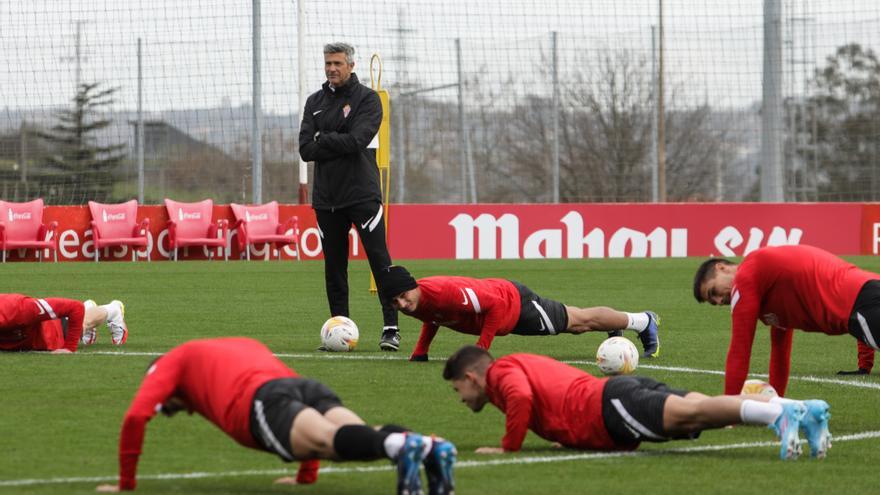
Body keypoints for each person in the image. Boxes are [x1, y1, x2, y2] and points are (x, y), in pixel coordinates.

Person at [95, 337, 456, 494]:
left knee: (331, 442)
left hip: (263, 402)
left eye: (172, 409)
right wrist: (305, 477)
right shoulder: (233, 345)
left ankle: (405, 446)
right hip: (303, 386)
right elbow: (296, 398)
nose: (179, 413)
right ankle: (427, 446)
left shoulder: (171, 363)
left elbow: (136, 416)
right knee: (358, 435)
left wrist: (125, 484)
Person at [442, 345, 832, 461]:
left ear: (472, 378)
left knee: (693, 413)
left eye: (459, 390)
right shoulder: (515, 362)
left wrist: (509, 446)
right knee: (698, 407)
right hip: (615, 396)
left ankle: (778, 415)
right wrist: (567, 435)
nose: (461, 399)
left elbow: (522, 397)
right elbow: (546, 396)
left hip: (610, 407)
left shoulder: (498, 375)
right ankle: (806, 409)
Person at [299, 41, 401, 352]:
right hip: (327, 198)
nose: (332, 68)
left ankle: (391, 328)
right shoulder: (314, 102)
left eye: (338, 63)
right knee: (334, 267)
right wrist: (334, 140)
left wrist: (324, 138)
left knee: (380, 261)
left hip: (362, 195)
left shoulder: (368, 100)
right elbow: (305, 150)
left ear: (351, 65)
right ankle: (338, 330)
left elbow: (358, 141)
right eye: (328, 63)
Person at [693, 244, 879, 397]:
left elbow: (739, 351)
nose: (718, 301)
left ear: (721, 267)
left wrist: (728, 411)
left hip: (863, 304)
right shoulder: (766, 291)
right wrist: (778, 403)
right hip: (863, 301)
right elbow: (780, 352)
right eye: (712, 302)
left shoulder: (746, 276)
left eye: (713, 292)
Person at [379, 265, 660, 361]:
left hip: (514, 304)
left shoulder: (443, 292)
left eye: (403, 297)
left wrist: (481, 349)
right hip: (506, 312)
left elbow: (495, 305)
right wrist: (420, 352)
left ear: (412, 286)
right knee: (577, 322)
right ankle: (619, 325)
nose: (402, 305)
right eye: (395, 303)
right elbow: (433, 317)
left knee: (579, 322)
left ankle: (643, 321)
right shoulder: (415, 302)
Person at [0, 295, 127, 353]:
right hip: (31, 339)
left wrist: (69, 348)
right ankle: (88, 306)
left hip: (55, 330)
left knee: (83, 323)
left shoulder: (18, 308)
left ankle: (113, 310)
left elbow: (75, 308)